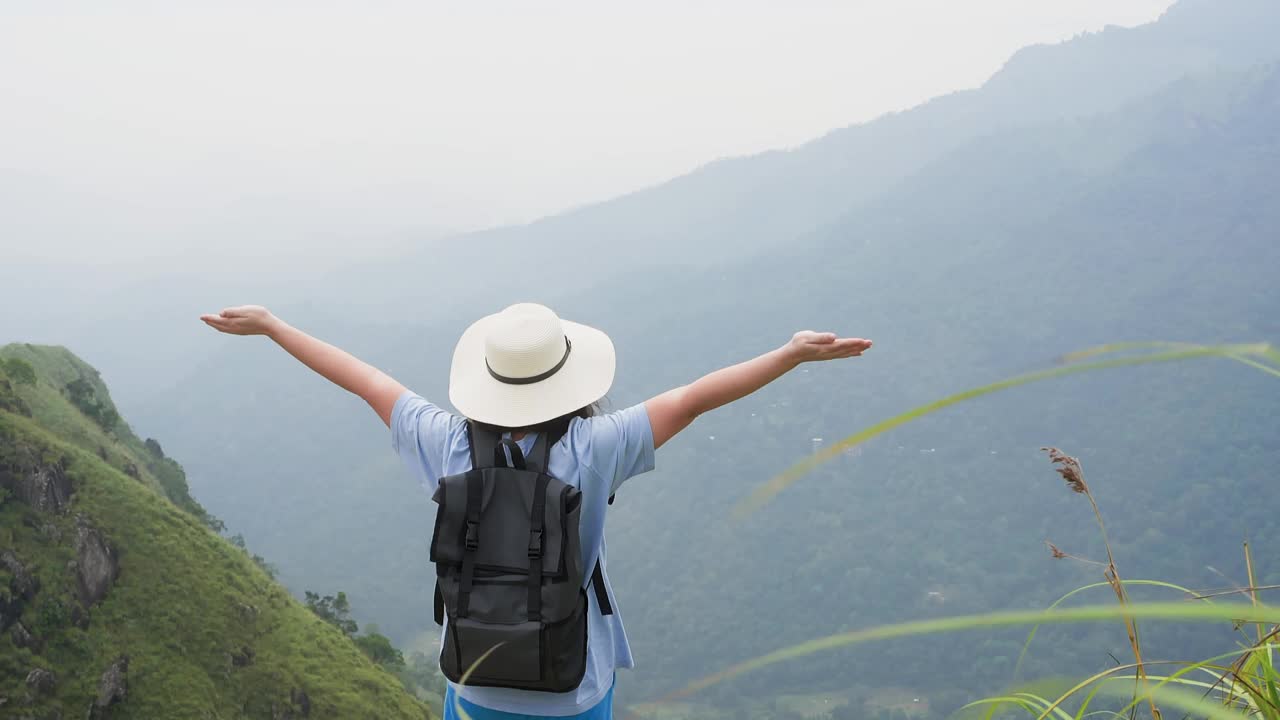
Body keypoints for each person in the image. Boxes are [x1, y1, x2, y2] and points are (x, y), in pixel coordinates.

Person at [200, 302, 871, 719]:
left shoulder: (445, 442)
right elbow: (693, 398)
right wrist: (790, 355)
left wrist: (273, 326)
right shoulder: (595, 448)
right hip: (574, 686)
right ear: (570, 379)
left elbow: (363, 379)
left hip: (473, 684)